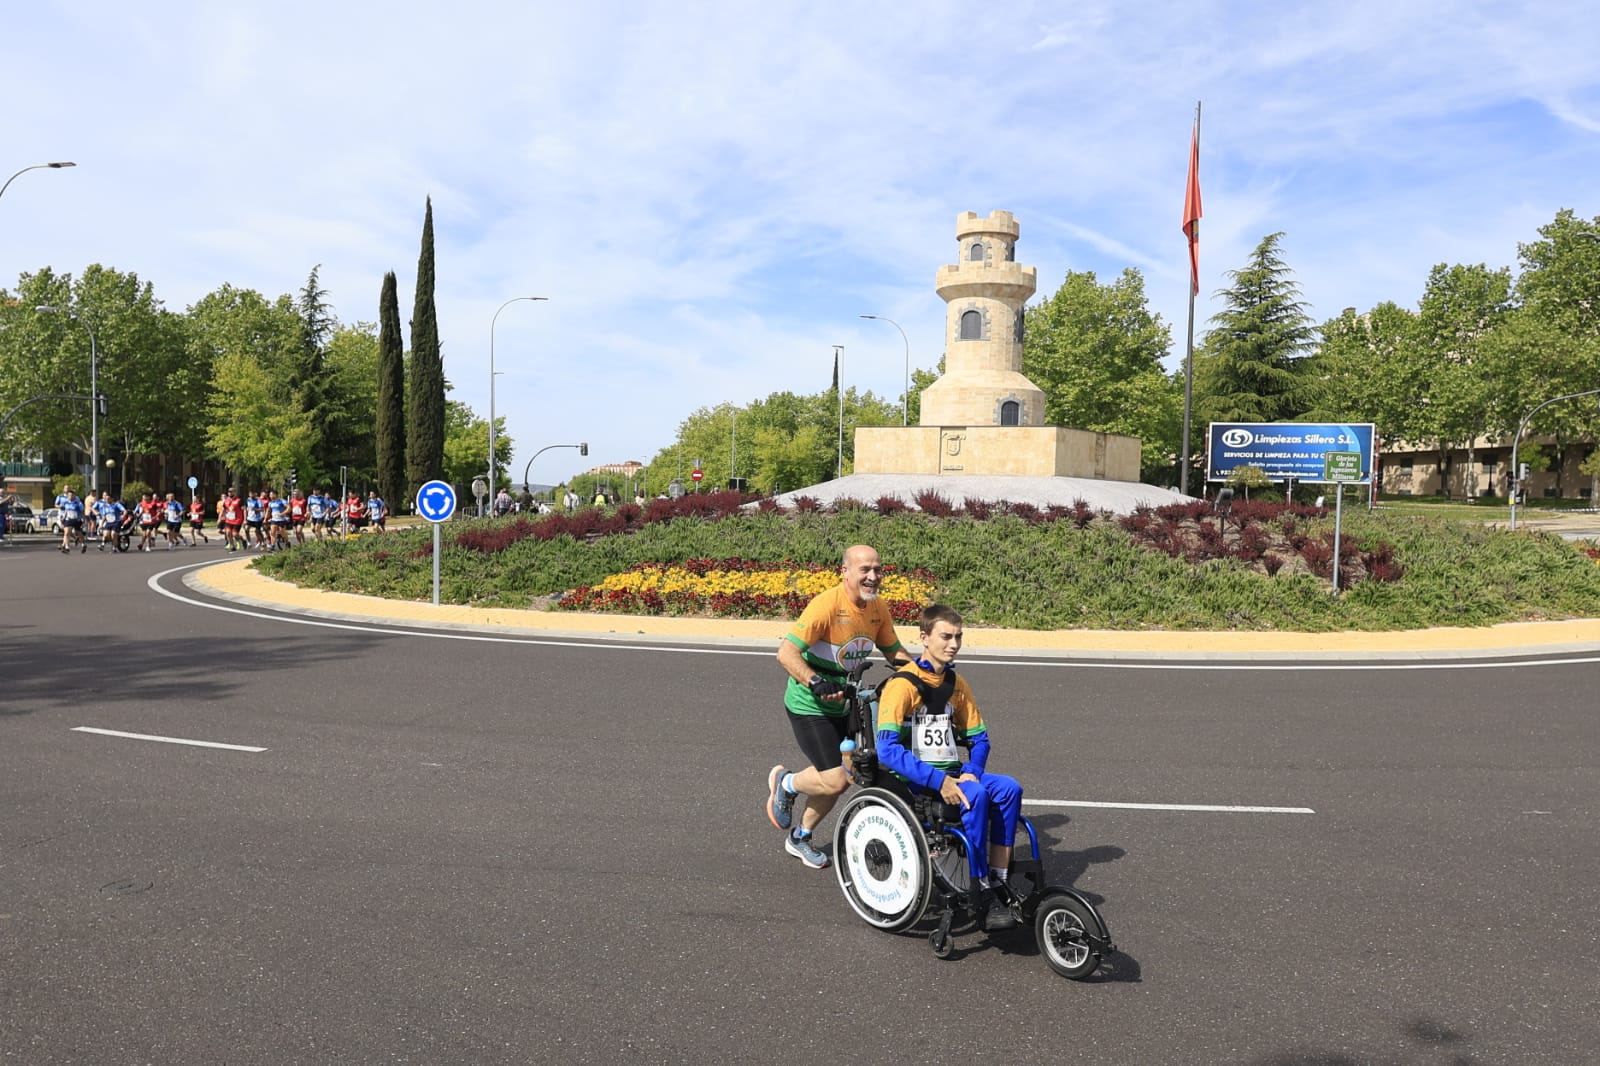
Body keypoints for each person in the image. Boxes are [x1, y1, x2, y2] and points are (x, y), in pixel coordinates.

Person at [874, 603, 1022, 931]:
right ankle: (978, 887)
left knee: (1009, 788)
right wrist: (939, 781)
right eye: (946, 636)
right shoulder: (903, 685)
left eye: (958, 636)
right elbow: (886, 749)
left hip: (954, 772)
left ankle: (999, 879)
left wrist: (974, 769)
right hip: (916, 781)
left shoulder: (957, 684)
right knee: (977, 795)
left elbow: (980, 739)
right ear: (924, 638)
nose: (953, 644)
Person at [765, 544, 911, 868]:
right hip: (810, 705)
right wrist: (816, 682)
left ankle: (800, 837)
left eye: (878, 570)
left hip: (848, 706)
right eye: (865, 570)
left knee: (847, 774)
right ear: (844, 572)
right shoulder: (826, 606)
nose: (873, 577)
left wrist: (924, 676)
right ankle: (786, 783)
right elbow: (786, 653)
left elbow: (894, 653)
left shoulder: (877, 609)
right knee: (835, 779)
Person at [58, 488, 87, 553]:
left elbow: (82, 512)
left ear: (74, 496)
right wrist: (63, 518)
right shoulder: (66, 503)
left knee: (79, 533)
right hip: (69, 519)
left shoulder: (78, 503)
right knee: (66, 533)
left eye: (72, 495)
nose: (70, 496)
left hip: (77, 520)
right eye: (69, 495)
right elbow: (66, 511)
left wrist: (84, 521)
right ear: (67, 496)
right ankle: (67, 547)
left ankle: (83, 544)